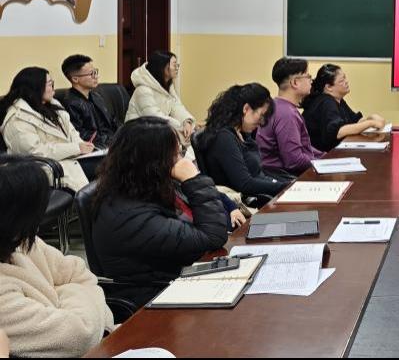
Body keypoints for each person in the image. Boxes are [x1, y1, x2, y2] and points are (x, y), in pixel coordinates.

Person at [92, 117, 229, 309]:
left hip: (177, 274)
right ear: (154, 162)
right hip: (156, 297)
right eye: (176, 154)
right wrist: (193, 179)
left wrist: (227, 207)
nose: (181, 161)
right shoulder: (130, 215)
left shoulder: (143, 186)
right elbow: (213, 236)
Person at [0, 156, 113, 357]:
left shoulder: (19, 243)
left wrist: (64, 297)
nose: (36, 227)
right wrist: (73, 291)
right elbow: (79, 335)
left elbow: (81, 273)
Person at [0, 67, 94, 191]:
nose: (53, 88)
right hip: (48, 170)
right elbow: (34, 152)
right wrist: (76, 148)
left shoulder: (53, 104)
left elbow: (71, 132)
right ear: (36, 88)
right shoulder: (17, 118)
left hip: (71, 159)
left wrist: (82, 146)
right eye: (50, 84)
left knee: (108, 166)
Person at [197, 83, 292, 198]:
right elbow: (245, 184)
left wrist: (283, 184)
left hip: (258, 194)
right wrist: (285, 187)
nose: (262, 122)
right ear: (246, 109)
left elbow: (257, 174)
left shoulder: (242, 133)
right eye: (261, 115)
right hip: (246, 202)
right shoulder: (223, 138)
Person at [257, 58, 325, 174]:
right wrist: (323, 163)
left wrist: (325, 157)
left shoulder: (277, 105)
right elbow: (294, 161)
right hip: (283, 177)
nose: (311, 81)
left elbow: (301, 147)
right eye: (308, 76)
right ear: (295, 83)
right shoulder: (287, 114)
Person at [302, 64, 386, 152]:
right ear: (329, 87)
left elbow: (354, 122)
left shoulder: (338, 100)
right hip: (319, 156)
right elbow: (338, 132)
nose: (346, 82)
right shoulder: (326, 102)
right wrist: (370, 123)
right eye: (341, 81)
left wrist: (371, 118)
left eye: (345, 77)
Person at [125, 51, 196, 144]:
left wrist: (186, 122)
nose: (177, 68)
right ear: (162, 67)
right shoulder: (142, 90)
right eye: (174, 65)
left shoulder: (168, 88)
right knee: (182, 141)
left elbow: (177, 107)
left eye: (177, 65)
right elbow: (155, 117)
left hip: (156, 133)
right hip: (136, 137)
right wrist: (180, 127)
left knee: (190, 139)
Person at [60, 55, 118, 149]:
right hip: (97, 147)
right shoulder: (70, 103)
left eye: (96, 72)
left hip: (112, 142)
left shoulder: (96, 96)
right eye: (92, 74)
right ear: (75, 79)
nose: (96, 76)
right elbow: (82, 135)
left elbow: (112, 121)